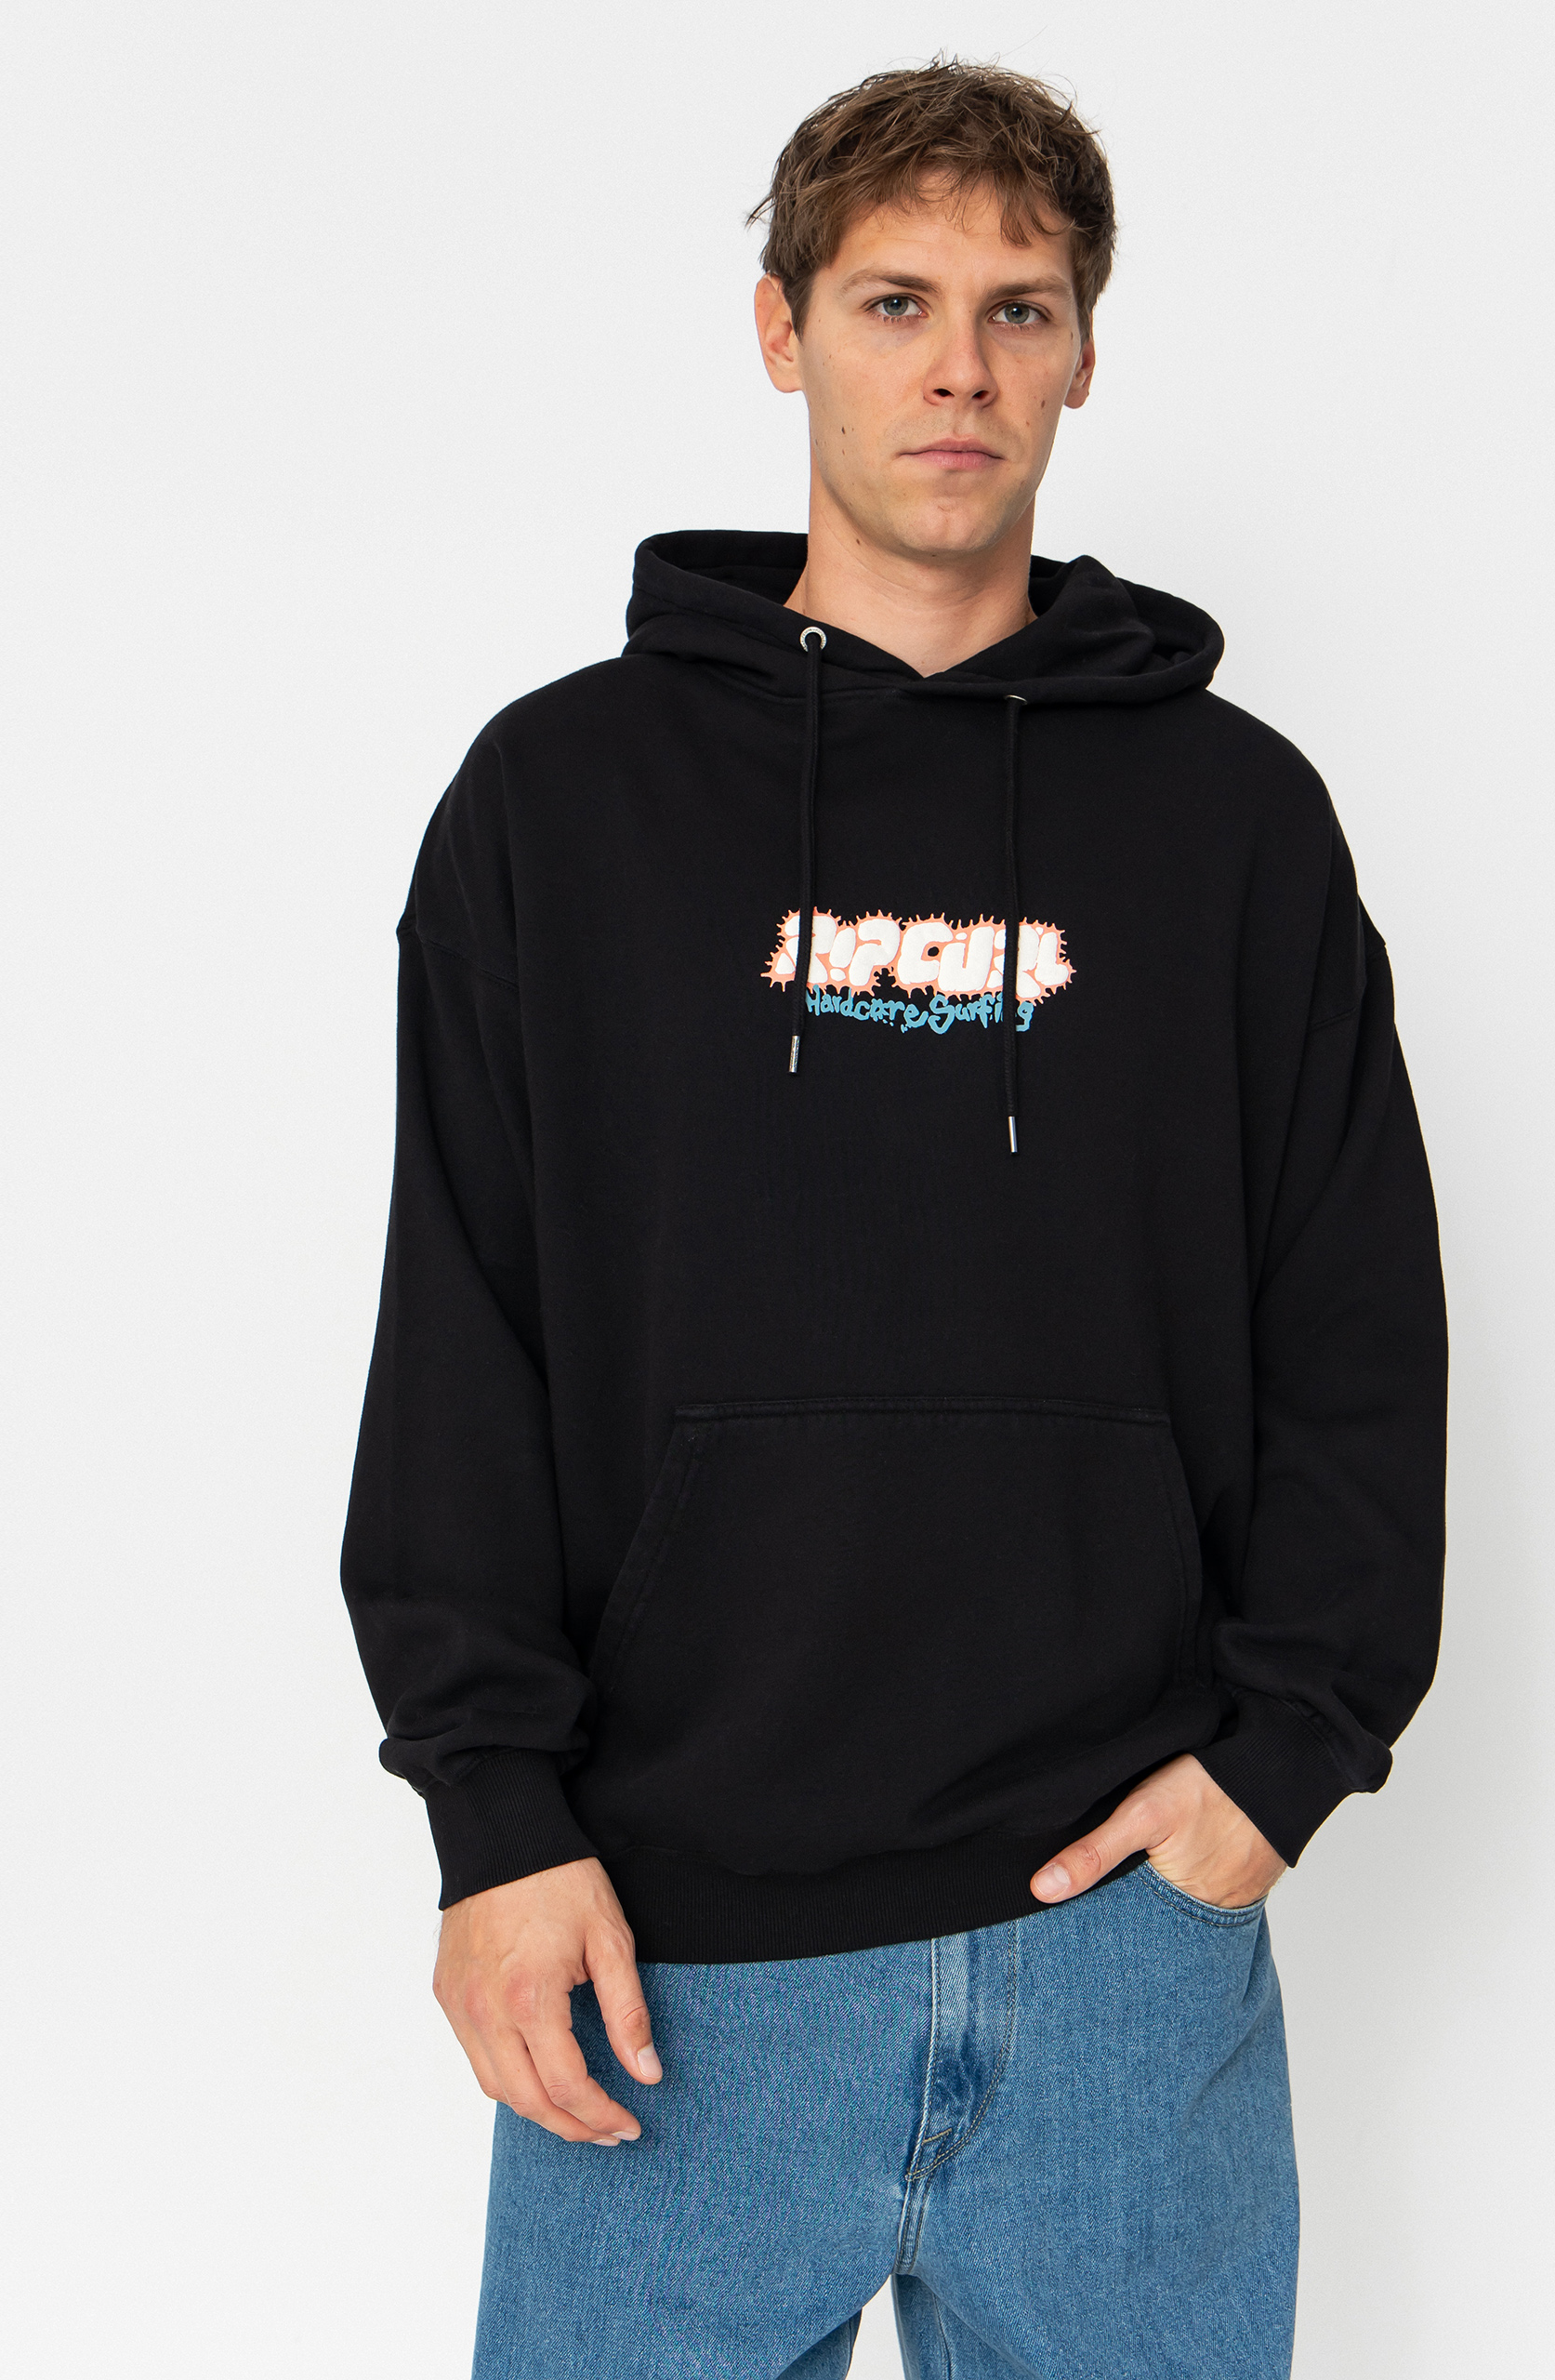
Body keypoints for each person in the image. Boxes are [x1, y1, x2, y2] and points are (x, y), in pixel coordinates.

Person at [340, 58, 1446, 2380]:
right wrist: (492, 1816)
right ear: (783, 330)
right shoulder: (562, 801)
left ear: (1083, 351)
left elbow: (1355, 1315)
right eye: (894, 300)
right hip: (665, 1955)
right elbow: (465, 1327)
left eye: (1018, 308)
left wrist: (1285, 1757)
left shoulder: (1236, 821)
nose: (960, 367)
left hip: (1123, 1952)